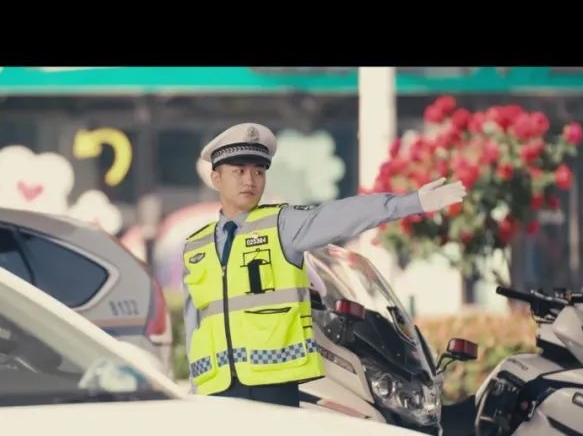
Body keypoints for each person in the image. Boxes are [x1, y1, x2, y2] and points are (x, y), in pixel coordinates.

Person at [182, 122, 467, 407]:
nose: (250, 181)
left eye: (259, 172)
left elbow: (344, 214)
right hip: (214, 392)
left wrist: (413, 202)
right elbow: (193, 326)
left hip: (271, 385)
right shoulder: (196, 246)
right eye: (239, 171)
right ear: (216, 178)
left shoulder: (283, 225)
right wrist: (196, 389)